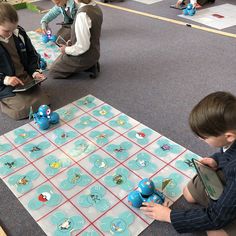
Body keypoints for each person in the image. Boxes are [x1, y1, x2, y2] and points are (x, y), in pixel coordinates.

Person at [141, 91, 236, 236]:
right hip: (230, 180)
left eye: (204, 137)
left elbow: (217, 218)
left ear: (229, 136)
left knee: (215, 232)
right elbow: (228, 152)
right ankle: (220, 203)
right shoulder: (231, 135)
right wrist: (216, 160)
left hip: (231, 192)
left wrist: (169, 216)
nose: (200, 140)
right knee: (188, 194)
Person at [0, 3, 49, 120]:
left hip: (23, 78)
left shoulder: (19, 32)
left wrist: (35, 72)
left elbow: (32, 54)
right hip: (4, 83)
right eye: (6, 30)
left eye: (13, 29)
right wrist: (5, 79)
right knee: (21, 111)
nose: (10, 33)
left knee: (44, 101)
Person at [47, 0, 103, 80]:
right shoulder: (94, 6)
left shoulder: (83, 14)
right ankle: (90, 63)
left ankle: (87, 66)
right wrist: (72, 40)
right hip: (95, 51)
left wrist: (66, 49)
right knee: (61, 57)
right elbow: (90, 34)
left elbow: (82, 47)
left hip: (85, 55)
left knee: (53, 71)